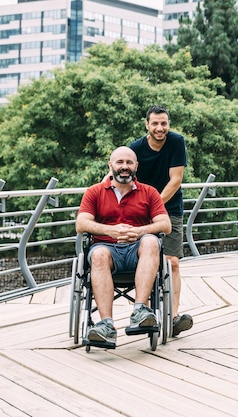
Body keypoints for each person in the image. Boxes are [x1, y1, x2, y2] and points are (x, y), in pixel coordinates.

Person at [76, 146, 172, 348]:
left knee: (151, 240)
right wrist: (109, 231)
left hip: (137, 251)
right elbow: (81, 224)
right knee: (99, 253)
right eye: (120, 162)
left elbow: (166, 225)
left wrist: (139, 231)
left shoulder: (149, 192)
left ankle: (140, 311)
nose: (124, 167)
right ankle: (105, 325)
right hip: (106, 250)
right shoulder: (94, 192)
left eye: (129, 163)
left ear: (136, 166)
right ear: (111, 165)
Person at [129, 105, 193, 336]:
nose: (159, 128)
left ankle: (174, 317)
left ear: (168, 124)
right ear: (147, 125)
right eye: (155, 123)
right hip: (140, 210)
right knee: (142, 257)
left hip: (170, 209)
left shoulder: (176, 142)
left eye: (163, 123)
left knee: (172, 262)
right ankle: (143, 309)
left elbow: (175, 180)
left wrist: (155, 204)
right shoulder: (135, 148)